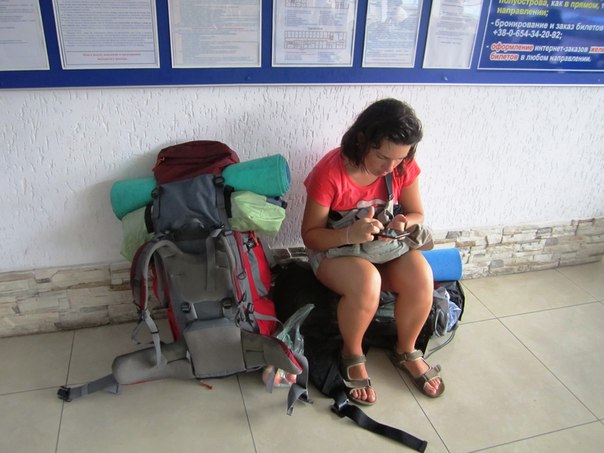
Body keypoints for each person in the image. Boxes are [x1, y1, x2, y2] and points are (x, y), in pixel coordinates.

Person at [301, 98, 444, 405]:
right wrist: (349, 234)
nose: (390, 167)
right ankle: (352, 353)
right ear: (362, 139)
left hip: (382, 246)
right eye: (382, 157)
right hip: (334, 250)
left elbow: (417, 213)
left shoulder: (402, 166)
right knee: (368, 282)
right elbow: (311, 237)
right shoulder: (330, 172)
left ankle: (406, 349)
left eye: (399, 158)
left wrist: (404, 222)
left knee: (421, 274)